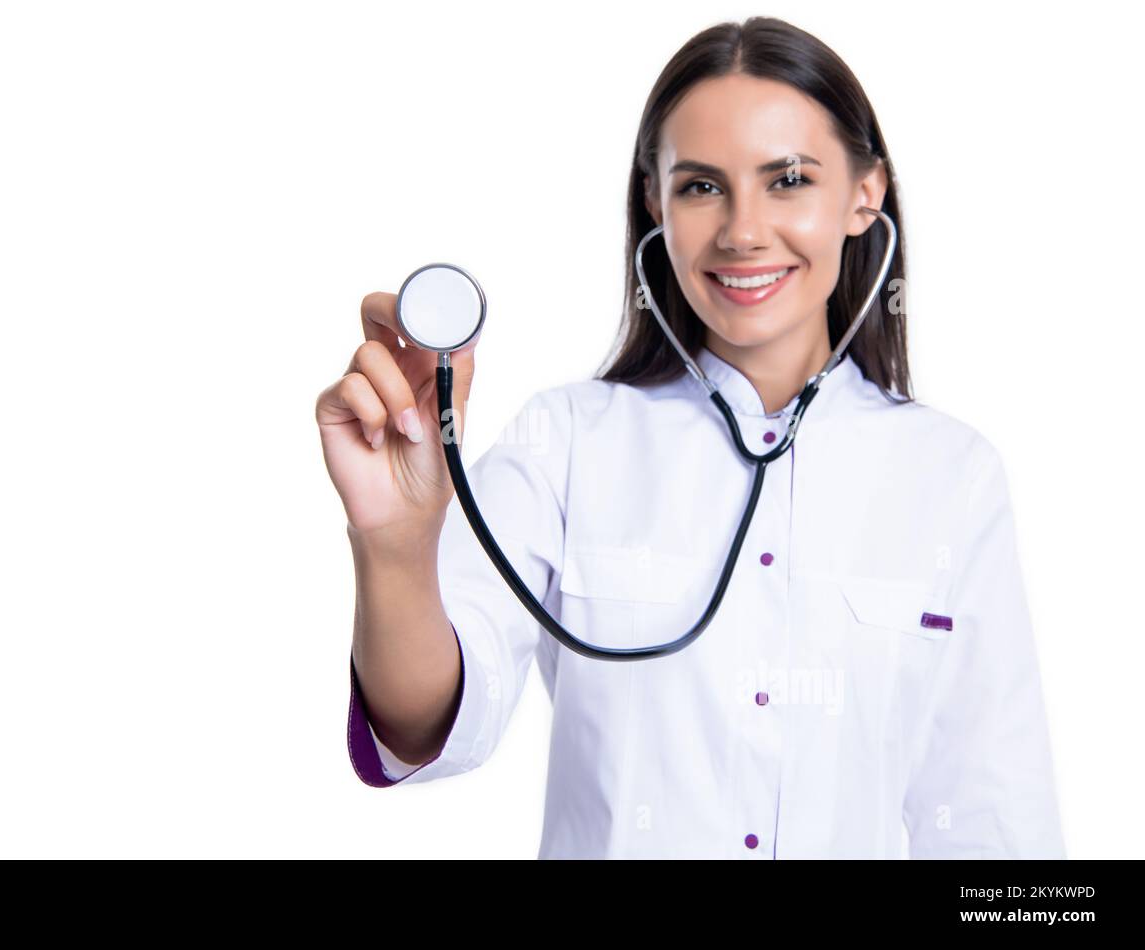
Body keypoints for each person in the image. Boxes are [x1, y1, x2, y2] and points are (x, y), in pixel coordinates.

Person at [313, 16, 1065, 859]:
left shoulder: (952, 475)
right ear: (654, 205)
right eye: (702, 187)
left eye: (789, 180)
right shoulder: (564, 442)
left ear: (866, 196)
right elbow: (423, 723)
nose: (742, 231)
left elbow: (995, 820)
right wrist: (395, 543)